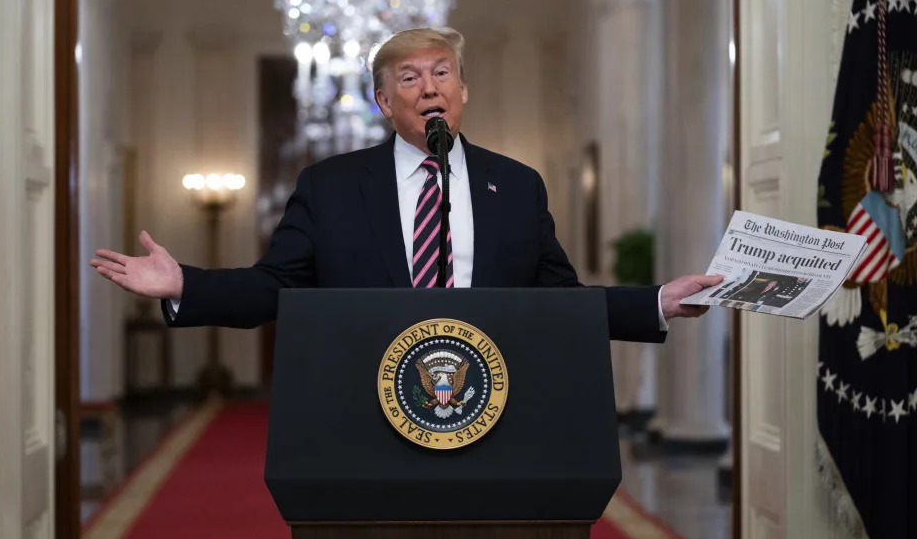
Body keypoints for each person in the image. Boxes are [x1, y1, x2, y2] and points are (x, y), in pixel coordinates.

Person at [90, 27, 720, 341]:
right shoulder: (330, 186)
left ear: (464, 91)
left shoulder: (517, 186)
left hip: (492, 402)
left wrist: (656, 302)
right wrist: (185, 286)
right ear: (383, 102)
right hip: (363, 405)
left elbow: (556, 300)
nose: (430, 87)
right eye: (410, 78)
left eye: (442, 73)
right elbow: (274, 289)